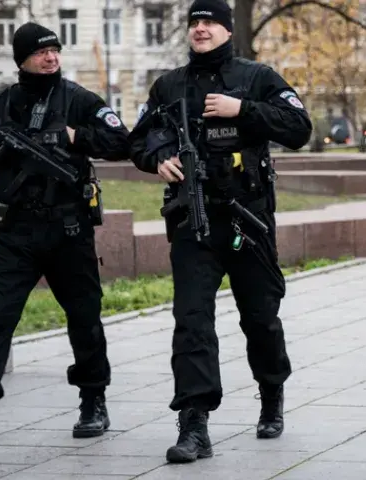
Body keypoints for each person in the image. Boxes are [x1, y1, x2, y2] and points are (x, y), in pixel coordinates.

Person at [0, 22, 131, 450]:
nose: (51, 57)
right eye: (41, 52)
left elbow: (121, 141)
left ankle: (93, 399)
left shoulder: (79, 100)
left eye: (55, 50)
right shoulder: (2, 104)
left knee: (84, 318)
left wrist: (76, 137)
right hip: (17, 230)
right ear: (22, 59)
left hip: (68, 228)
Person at [128, 0, 312, 464]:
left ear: (228, 30)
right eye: (194, 22)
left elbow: (299, 128)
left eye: (209, 22)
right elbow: (139, 136)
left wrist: (242, 109)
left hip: (246, 218)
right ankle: (194, 424)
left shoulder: (258, 77)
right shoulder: (169, 85)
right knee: (191, 320)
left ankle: (272, 392)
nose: (201, 29)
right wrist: (158, 156)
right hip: (193, 218)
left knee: (260, 317)